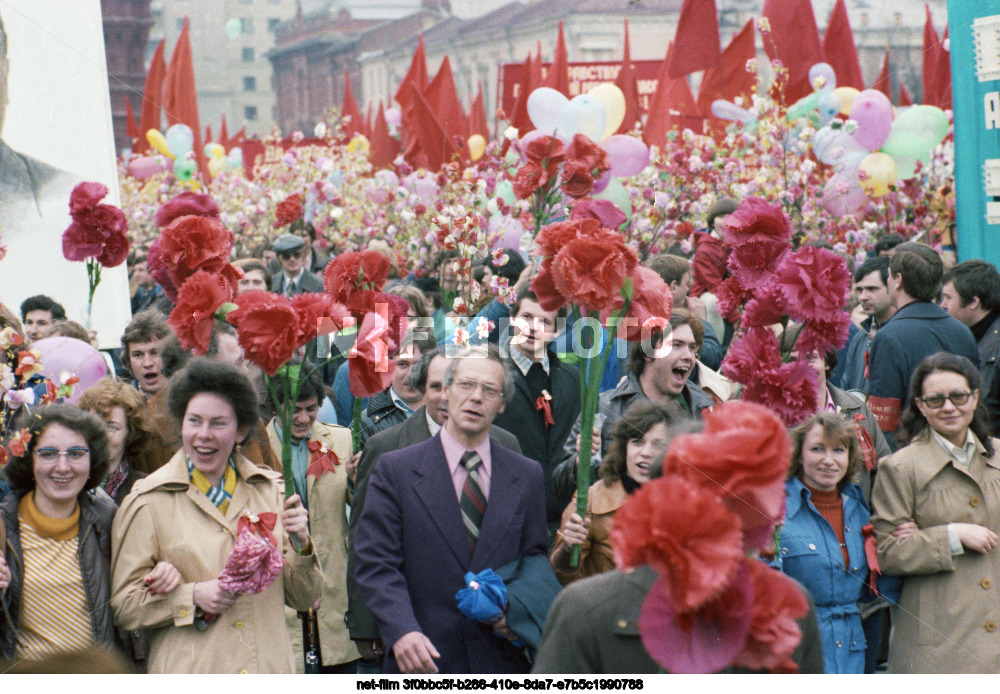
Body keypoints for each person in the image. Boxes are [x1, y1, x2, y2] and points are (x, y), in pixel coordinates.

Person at [110, 358, 322, 673]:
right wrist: (191, 597)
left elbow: (304, 598)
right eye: (194, 421)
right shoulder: (148, 501)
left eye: (218, 423)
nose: (203, 434)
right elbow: (125, 607)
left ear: (241, 431)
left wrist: (302, 543)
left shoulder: (270, 492)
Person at [353, 346, 549, 674]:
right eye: (465, 385)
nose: (476, 397)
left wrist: (514, 612)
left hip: (498, 660)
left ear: (501, 404)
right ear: (445, 391)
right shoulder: (396, 469)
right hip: (421, 659)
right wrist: (401, 630)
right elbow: (376, 562)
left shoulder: (525, 474)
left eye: (489, 390)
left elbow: (534, 559)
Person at [870, 352, 1000, 673]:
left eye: (958, 396)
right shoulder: (900, 467)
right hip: (940, 640)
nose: (948, 407)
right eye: (936, 399)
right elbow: (886, 553)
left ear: (975, 397)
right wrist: (951, 536)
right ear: (920, 405)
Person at [777, 412, 899, 674]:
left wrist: (900, 540)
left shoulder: (859, 511)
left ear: (850, 457)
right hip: (798, 652)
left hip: (850, 652)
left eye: (838, 450)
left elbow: (874, 589)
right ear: (799, 454)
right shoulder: (776, 510)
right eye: (817, 449)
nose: (829, 460)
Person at [553, 309, 714, 501]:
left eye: (692, 348)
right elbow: (560, 487)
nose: (689, 356)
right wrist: (581, 461)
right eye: (677, 345)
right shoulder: (604, 407)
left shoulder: (703, 412)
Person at [0, 404, 119, 661]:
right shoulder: (3, 526)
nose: (63, 467)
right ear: (28, 457)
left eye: (76, 454)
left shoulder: (111, 521)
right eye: (48, 454)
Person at [264, 363, 361, 672]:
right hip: (283, 585)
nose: (304, 418)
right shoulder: (256, 448)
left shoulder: (341, 439)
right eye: (295, 410)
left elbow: (362, 512)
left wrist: (357, 482)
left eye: (311, 409)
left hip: (334, 583)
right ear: (277, 405)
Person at [867, 242, 979, 449]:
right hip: (962, 449)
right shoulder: (962, 331)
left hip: (913, 457)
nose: (889, 282)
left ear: (898, 280)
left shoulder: (888, 336)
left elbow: (884, 421)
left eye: (889, 276)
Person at [550, 401, 676, 583]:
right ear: (624, 448)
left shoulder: (684, 503)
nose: (646, 452)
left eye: (658, 445)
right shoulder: (591, 500)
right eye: (637, 442)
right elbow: (563, 580)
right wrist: (568, 550)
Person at [493, 290, 581, 533]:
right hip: (506, 515)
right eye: (526, 317)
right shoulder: (492, 376)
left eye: (544, 321)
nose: (533, 327)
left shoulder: (571, 379)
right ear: (512, 319)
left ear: (557, 331)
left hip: (560, 516)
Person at [77, 378, 154, 505]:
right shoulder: (68, 479)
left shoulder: (146, 488)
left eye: (112, 427)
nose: (101, 434)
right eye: (94, 424)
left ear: (131, 433)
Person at [358, 332, 435, 447]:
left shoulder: (448, 412)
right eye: (403, 364)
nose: (411, 375)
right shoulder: (366, 422)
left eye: (419, 365)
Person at [939, 259, 1000, 395]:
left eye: (948, 298)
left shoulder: (995, 345)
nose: (943, 305)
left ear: (973, 302)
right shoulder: (963, 336)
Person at [842, 256, 896, 393]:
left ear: (893, 286)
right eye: (859, 290)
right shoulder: (860, 338)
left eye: (872, 289)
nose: (863, 297)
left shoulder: (902, 335)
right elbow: (847, 387)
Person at [119, 309, 171, 397]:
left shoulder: (193, 400)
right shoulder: (123, 406)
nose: (147, 363)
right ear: (128, 361)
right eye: (138, 355)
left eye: (155, 353)